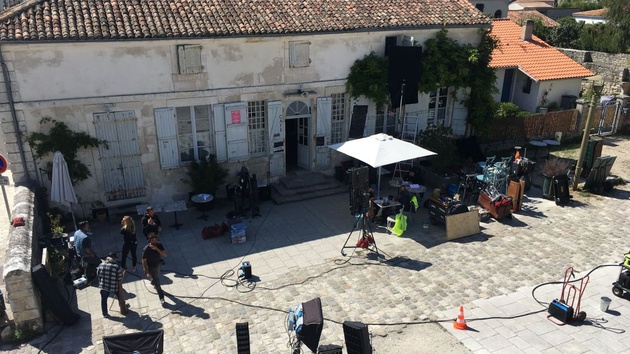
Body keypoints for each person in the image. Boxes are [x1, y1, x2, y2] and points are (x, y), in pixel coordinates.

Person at [96, 252, 128, 318]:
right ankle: (123, 308)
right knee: (120, 296)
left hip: (103, 286)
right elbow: (120, 278)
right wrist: (123, 272)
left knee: (104, 300)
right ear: (114, 259)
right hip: (113, 287)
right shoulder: (116, 267)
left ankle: (105, 314)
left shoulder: (101, 265)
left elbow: (98, 275)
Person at [142, 233, 167, 305]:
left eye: (155, 240)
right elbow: (143, 260)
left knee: (157, 276)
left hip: (157, 264)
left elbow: (164, 254)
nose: (154, 242)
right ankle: (161, 297)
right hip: (151, 267)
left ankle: (153, 281)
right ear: (149, 241)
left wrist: (157, 249)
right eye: (152, 240)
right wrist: (147, 271)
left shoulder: (159, 245)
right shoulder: (146, 249)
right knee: (157, 283)